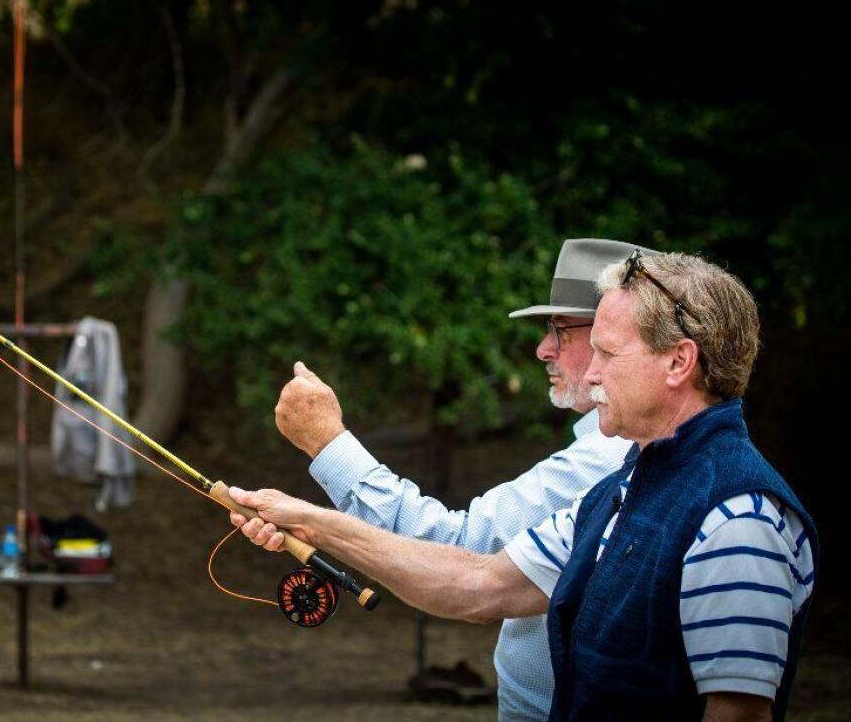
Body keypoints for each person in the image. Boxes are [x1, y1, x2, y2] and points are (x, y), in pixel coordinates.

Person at [231, 251, 817, 721]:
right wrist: (314, 523)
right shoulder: (622, 490)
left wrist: (327, 460)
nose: (588, 372)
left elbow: (739, 713)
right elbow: (476, 584)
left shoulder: (737, 514)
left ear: (677, 363)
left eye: (606, 352)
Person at [272, 238, 645, 720]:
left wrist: (327, 444)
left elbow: (463, 553)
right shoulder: (611, 450)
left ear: (611, 338)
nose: (542, 349)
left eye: (560, 330)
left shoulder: (604, 459)